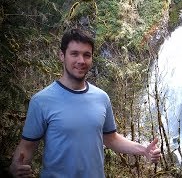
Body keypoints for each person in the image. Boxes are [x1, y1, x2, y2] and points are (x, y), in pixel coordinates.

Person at [9, 28, 161, 178]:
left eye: (86, 55)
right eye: (74, 54)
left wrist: (143, 150)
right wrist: (16, 168)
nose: (81, 61)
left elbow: (110, 138)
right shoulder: (41, 101)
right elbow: (27, 147)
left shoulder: (102, 97)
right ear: (62, 56)